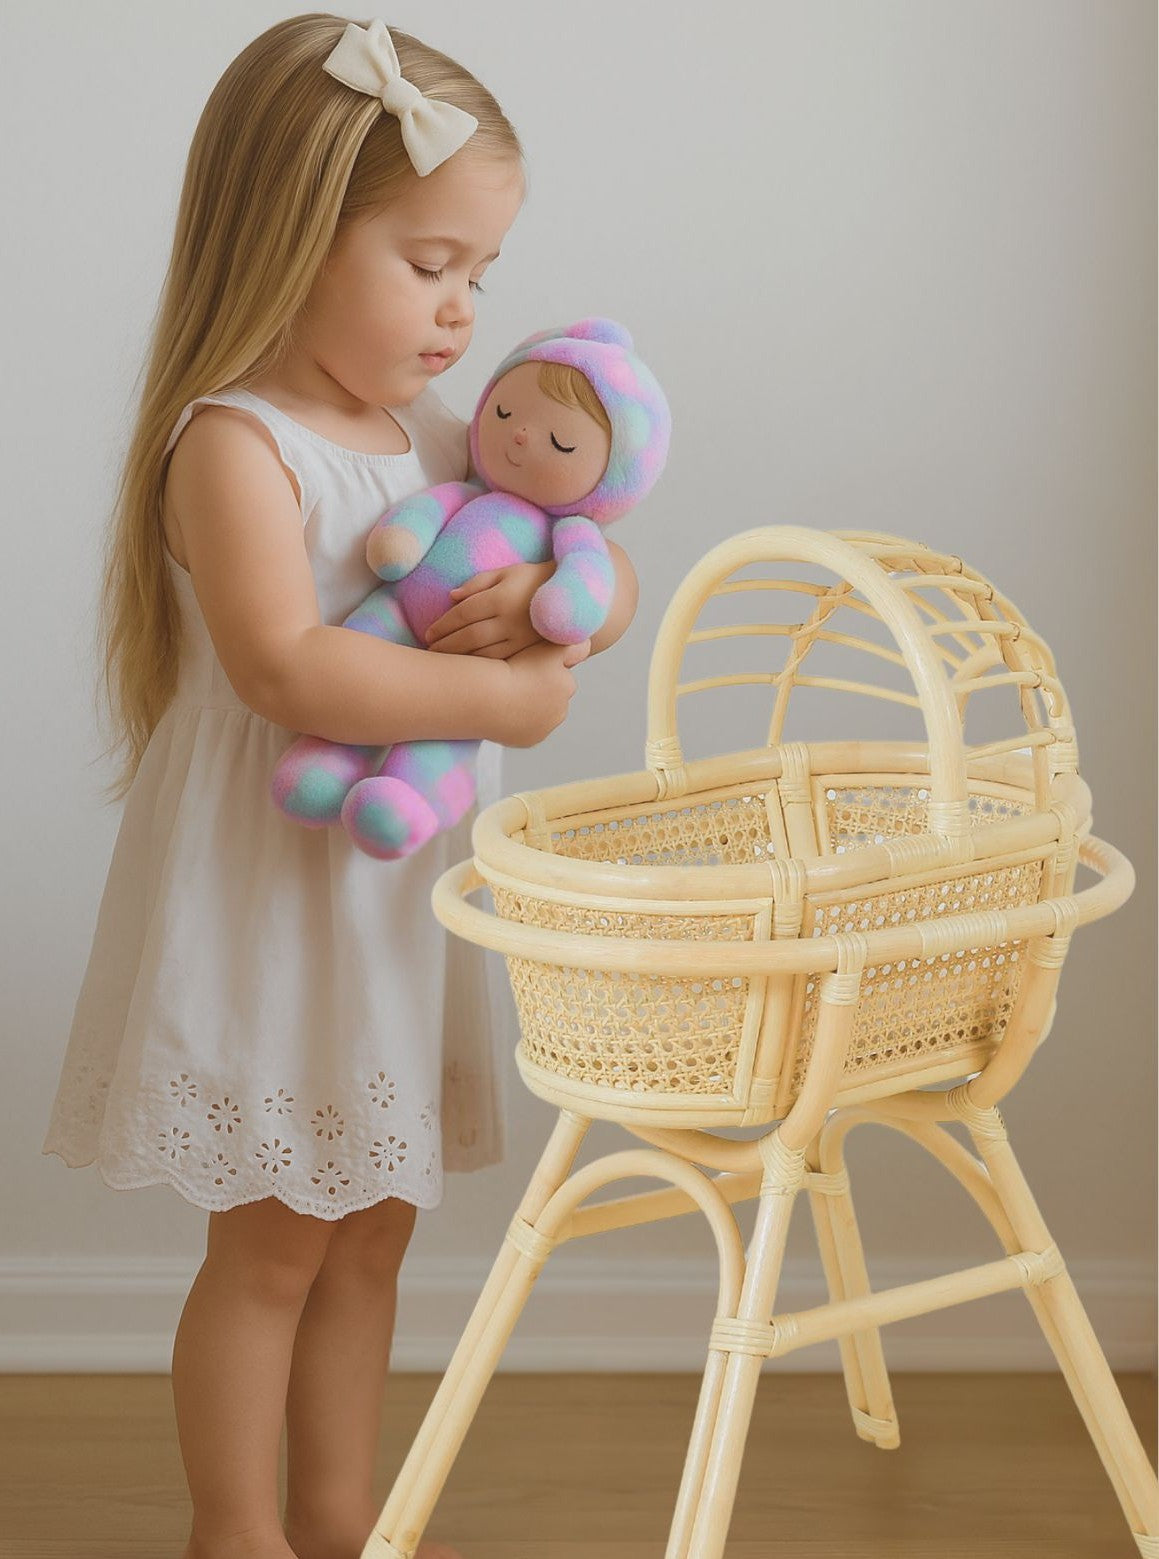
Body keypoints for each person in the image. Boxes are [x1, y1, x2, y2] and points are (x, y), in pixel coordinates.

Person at [39, 16, 640, 1559]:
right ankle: (235, 1531)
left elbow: (582, 522)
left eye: (481, 275)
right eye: (429, 264)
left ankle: (340, 1518)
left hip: (385, 905)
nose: (463, 311)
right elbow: (289, 669)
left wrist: (572, 603)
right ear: (293, 237)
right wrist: (509, 696)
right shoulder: (233, 445)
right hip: (271, 896)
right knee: (273, 1246)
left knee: (371, 1232)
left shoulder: (439, 434)